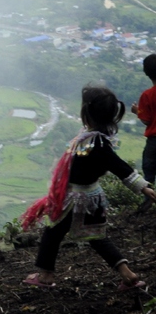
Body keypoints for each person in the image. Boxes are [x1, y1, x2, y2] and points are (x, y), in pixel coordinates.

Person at [22, 85, 156, 289]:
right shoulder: (93, 138)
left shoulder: (97, 143)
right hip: (91, 198)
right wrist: (143, 187)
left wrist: (143, 187)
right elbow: (120, 167)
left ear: (87, 112)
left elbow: (121, 168)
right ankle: (127, 275)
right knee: (97, 237)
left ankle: (46, 276)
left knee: (52, 233)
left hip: (75, 199)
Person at [130, 54, 156, 184]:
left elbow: (146, 120)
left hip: (154, 142)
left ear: (146, 73)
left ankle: (149, 201)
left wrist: (137, 111)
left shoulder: (147, 95)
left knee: (149, 174)